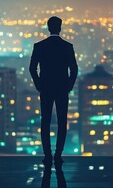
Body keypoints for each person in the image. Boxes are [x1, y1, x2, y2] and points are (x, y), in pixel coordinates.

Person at [29, 16, 78, 166]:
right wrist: (69, 86)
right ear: (60, 27)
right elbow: (74, 69)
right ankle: (58, 155)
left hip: (46, 89)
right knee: (62, 121)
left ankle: (47, 155)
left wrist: (39, 85)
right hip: (62, 89)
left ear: (48, 28)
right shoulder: (67, 46)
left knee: (46, 122)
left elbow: (32, 68)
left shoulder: (39, 46)